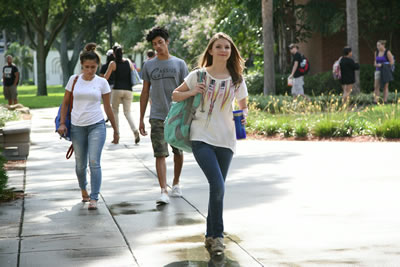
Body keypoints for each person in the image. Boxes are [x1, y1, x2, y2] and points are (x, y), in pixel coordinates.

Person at [171, 32, 248, 255]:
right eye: (219, 46)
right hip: (201, 136)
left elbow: (242, 106)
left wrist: (243, 115)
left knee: (217, 188)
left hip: (226, 138)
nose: (224, 50)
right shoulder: (199, 76)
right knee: (218, 185)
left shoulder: (237, 79)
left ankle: (209, 235)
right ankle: (218, 237)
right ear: (211, 51)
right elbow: (175, 95)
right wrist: (193, 91)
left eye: (227, 47)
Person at [57, 43, 119, 210]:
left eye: (93, 67)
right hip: (77, 127)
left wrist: (116, 130)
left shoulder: (102, 83)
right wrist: (62, 123)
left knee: (94, 162)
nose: (90, 70)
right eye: (86, 67)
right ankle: (83, 188)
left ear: (97, 65)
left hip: (96, 126)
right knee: (80, 165)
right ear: (81, 65)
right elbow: (65, 103)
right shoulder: (73, 80)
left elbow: (108, 108)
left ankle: (94, 197)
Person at [139, 27, 189, 205]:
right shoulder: (149, 65)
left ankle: (176, 183)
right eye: (154, 44)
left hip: (177, 114)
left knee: (178, 151)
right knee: (160, 153)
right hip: (157, 115)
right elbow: (145, 92)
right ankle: (163, 190)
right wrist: (141, 118)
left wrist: (189, 114)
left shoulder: (180, 64)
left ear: (167, 42)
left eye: (160, 42)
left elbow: (188, 90)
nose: (158, 46)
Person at [104, 46, 140, 144]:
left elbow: (106, 77)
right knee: (127, 113)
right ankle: (135, 130)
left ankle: (117, 134)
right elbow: (134, 73)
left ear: (114, 54)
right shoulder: (128, 62)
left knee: (115, 112)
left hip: (117, 90)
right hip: (128, 90)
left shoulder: (113, 63)